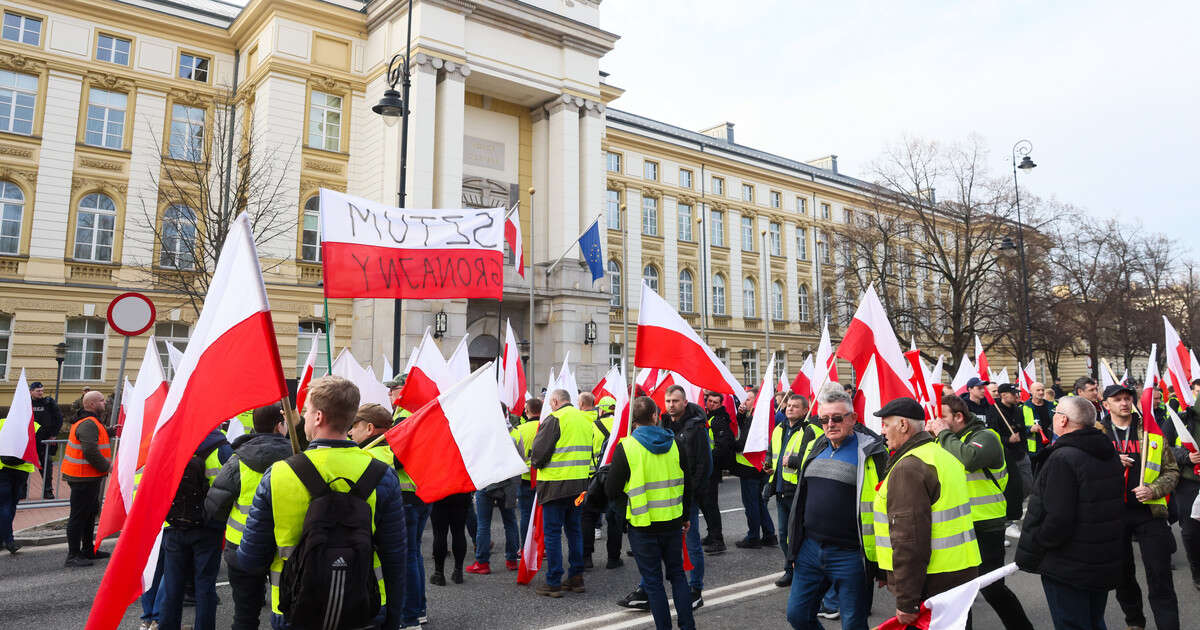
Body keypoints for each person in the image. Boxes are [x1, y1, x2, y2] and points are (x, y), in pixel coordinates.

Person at [237, 375, 406, 630]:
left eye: (306, 410)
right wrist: (393, 619)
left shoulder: (278, 474)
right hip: (364, 604)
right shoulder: (382, 474)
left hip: (293, 606)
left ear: (318, 417)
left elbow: (250, 559)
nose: (303, 417)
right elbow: (395, 558)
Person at [1016, 396, 1124, 630]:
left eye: (1055, 414)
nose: (1053, 417)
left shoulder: (1064, 457)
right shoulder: (1107, 452)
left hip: (1068, 564)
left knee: (1073, 624)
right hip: (1100, 557)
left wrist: (1039, 544)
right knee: (1094, 621)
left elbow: (1058, 518)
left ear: (1063, 420)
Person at [927, 395, 1033, 630]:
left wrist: (942, 434)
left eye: (943, 416)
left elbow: (969, 459)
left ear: (958, 416)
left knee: (992, 587)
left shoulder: (986, 436)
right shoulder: (946, 439)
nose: (938, 421)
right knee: (960, 590)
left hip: (986, 523)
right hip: (957, 524)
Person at [785, 386, 886, 630]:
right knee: (798, 615)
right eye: (824, 419)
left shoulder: (872, 452)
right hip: (810, 549)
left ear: (853, 419)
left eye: (837, 418)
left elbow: (886, 508)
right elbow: (801, 499)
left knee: (853, 623)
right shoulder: (818, 445)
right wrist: (795, 547)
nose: (830, 424)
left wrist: (883, 564)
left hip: (850, 554)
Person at [873, 397, 979, 627]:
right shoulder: (941, 454)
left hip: (931, 583)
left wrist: (907, 601)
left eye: (885, 424)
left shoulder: (909, 467)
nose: (882, 431)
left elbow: (909, 540)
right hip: (960, 573)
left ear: (903, 425)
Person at [605, 396, 695, 630]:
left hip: (643, 525)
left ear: (633, 421)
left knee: (654, 584)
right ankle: (688, 626)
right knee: (678, 577)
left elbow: (611, 490)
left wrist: (624, 513)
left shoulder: (627, 447)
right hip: (673, 522)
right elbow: (687, 483)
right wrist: (685, 516)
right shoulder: (675, 443)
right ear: (655, 416)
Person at [1099, 384, 1180, 630]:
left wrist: (1153, 490)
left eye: (1127, 398)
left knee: (1160, 575)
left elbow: (1172, 471)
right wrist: (1112, 461)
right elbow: (1083, 469)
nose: (1124, 403)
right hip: (1113, 515)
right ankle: (1134, 621)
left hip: (1149, 513)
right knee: (1122, 575)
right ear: (1106, 404)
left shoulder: (1150, 431)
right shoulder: (1096, 434)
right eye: (1117, 399)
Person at [205, 404, 293, 630]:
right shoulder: (298, 458)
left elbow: (215, 505)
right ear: (279, 426)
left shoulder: (237, 460)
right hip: (285, 548)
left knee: (244, 616)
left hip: (241, 547)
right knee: (288, 614)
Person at [157, 428, 232, 630]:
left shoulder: (172, 443)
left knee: (173, 586)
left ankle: (167, 626)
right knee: (205, 586)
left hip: (175, 524)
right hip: (208, 528)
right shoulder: (222, 449)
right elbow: (231, 487)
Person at [529, 389, 593, 597]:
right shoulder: (584, 420)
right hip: (579, 485)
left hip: (555, 485)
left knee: (553, 534)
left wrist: (534, 460)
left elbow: (538, 454)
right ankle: (576, 577)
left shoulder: (555, 418)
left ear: (555, 401)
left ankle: (554, 580)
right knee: (574, 531)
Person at [765, 394, 822, 588]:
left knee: (800, 534)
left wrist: (794, 462)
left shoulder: (811, 430)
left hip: (799, 491)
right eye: (788, 406)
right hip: (781, 488)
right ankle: (790, 569)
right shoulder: (779, 429)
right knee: (783, 535)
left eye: (795, 406)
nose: (790, 409)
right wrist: (768, 464)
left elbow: (814, 458)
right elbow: (773, 453)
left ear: (805, 410)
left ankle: (803, 571)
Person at [467, 404, 521, 575]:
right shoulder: (512, 437)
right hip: (507, 485)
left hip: (486, 483)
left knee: (483, 524)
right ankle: (512, 559)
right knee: (510, 522)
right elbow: (521, 460)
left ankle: (482, 563)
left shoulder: (480, 437)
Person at [62, 390, 111, 567]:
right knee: (78, 516)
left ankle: (88, 550)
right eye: (101, 400)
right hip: (82, 477)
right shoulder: (88, 423)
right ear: (91, 404)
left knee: (89, 514)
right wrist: (107, 466)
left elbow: (95, 437)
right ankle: (73, 555)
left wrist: (110, 431)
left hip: (87, 477)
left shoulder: (90, 421)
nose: (104, 403)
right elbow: (89, 450)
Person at [581, 395, 624, 570]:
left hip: (594, 476)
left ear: (603, 410)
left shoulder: (592, 426)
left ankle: (586, 557)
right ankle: (613, 558)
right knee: (614, 518)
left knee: (589, 515)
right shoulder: (622, 426)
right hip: (617, 476)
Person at [732, 390, 777, 550]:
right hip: (758, 467)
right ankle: (769, 534)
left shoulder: (754, 419)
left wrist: (730, 444)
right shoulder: (756, 417)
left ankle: (753, 537)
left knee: (752, 505)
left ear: (756, 400)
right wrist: (741, 416)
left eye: (748, 399)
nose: (745, 402)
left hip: (750, 468)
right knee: (758, 503)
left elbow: (744, 443)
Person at [1168, 386, 1200, 592]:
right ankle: (1198, 572)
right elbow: (1163, 445)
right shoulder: (1182, 418)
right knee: (1191, 532)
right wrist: (1186, 457)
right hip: (1189, 482)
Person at [986, 383, 1029, 529]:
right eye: (1013, 393)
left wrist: (1023, 444)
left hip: (1020, 453)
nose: (1016, 396)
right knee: (1011, 488)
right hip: (1006, 455)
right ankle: (1008, 519)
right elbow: (992, 434)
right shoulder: (994, 411)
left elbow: (1022, 429)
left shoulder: (1017, 409)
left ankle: (1014, 509)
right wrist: (1007, 440)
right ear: (1003, 395)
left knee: (1028, 484)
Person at [700, 391, 734, 554]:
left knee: (710, 504)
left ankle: (718, 540)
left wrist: (709, 460)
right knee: (705, 504)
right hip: (708, 467)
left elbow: (721, 446)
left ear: (721, 404)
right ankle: (711, 534)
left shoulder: (719, 420)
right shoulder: (709, 417)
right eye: (709, 401)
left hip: (712, 468)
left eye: (715, 402)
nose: (711, 404)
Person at [0, 405, 31, 554]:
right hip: (21, 471)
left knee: (4, 505)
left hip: (2, 470)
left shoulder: (0, 425)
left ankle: (5, 539)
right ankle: (9, 540)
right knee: (11, 505)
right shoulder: (31, 426)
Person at [513, 397, 542, 541]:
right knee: (542, 515)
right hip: (543, 476)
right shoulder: (547, 426)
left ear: (526, 411)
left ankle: (525, 548)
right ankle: (542, 548)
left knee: (525, 514)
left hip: (524, 478)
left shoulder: (519, 430)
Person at [30, 381, 62, 500]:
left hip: (45, 440)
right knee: (23, 466)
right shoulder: (25, 402)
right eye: (38, 391)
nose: (41, 393)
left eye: (42, 390)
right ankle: (22, 490)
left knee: (46, 466)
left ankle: (47, 490)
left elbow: (58, 418)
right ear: (31, 391)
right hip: (29, 440)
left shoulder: (48, 403)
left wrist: (54, 435)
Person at [1023, 382, 1055, 470]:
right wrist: (1030, 429)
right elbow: (1019, 430)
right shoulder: (1024, 408)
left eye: (1042, 390)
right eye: (1038, 390)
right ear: (1031, 391)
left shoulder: (1052, 406)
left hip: (1051, 446)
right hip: (1034, 449)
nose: (1041, 392)